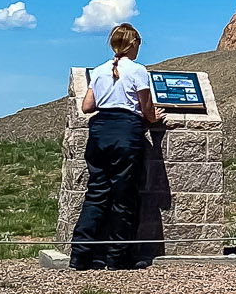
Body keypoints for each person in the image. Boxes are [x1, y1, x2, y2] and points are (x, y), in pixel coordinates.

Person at [70, 23, 167, 270]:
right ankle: (116, 258)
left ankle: (80, 255)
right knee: (123, 197)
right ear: (133, 43)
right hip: (126, 132)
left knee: (96, 193)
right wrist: (154, 118)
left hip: (100, 131)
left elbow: (87, 106)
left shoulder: (101, 71)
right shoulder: (138, 71)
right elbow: (146, 108)